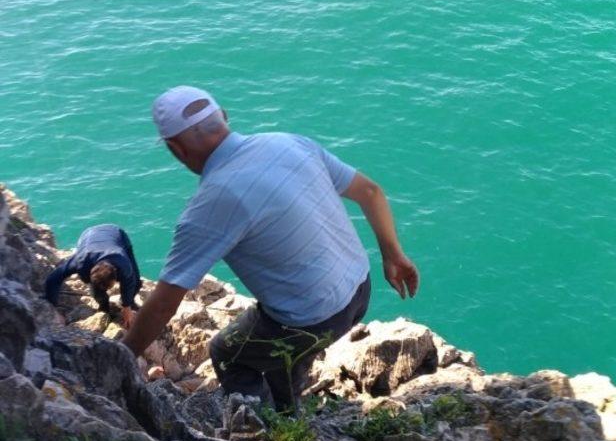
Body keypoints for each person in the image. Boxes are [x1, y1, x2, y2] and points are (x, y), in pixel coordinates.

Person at [122, 85, 419, 410]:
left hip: (309, 321)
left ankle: (266, 428)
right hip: (359, 290)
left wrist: (121, 356)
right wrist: (393, 255)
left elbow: (165, 305)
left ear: (176, 149)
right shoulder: (288, 142)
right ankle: (289, 403)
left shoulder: (210, 205)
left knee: (227, 351)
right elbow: (371, 192)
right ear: (223, 117)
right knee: (283, 358)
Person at [45, 224, 141, 327]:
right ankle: (104, 308)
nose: (108, 289)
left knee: (136, 282)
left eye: (109, 286)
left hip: (116, 234)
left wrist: (127, 306)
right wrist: (52, 308)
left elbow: (129, 282)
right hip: (88, 236)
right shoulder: (80, 261)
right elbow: (53, 279)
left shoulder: (123, 263)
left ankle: (128, 302)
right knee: (97, 292)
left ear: (116, 274)